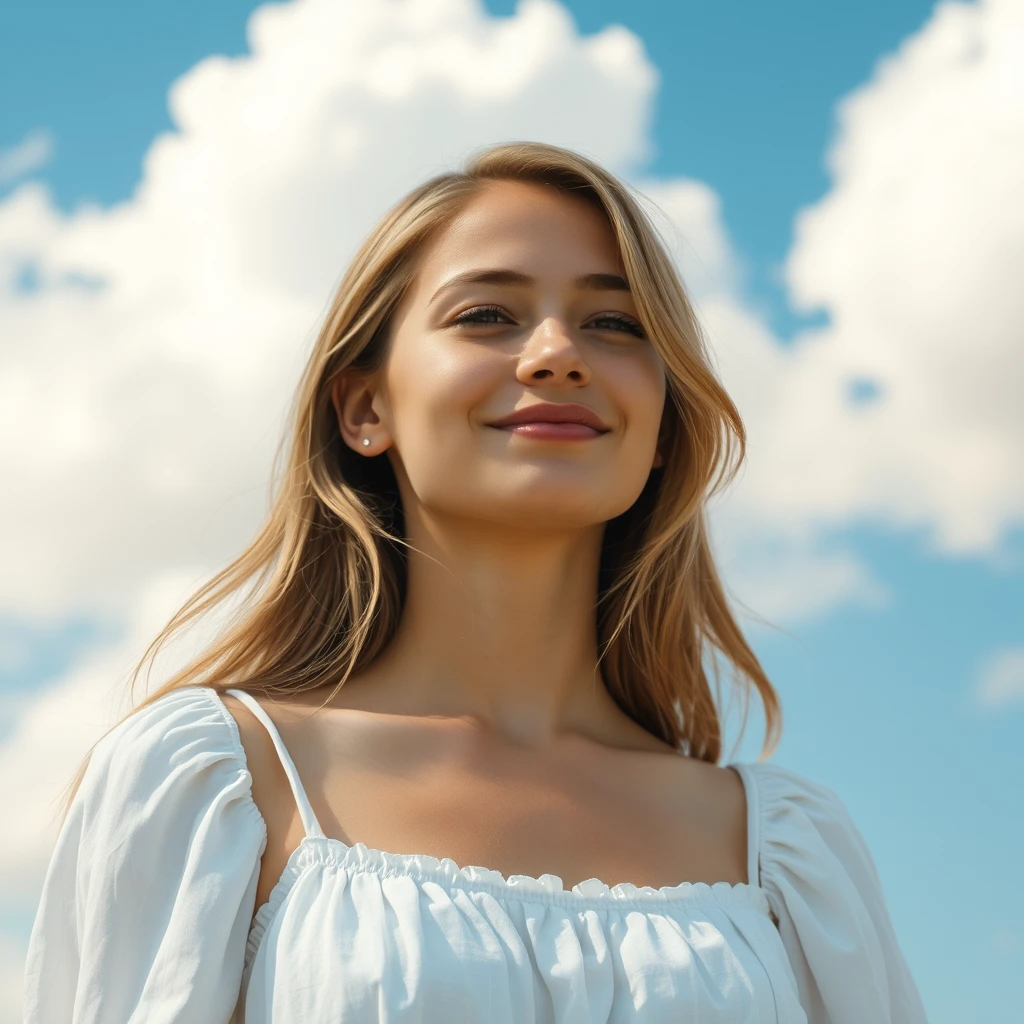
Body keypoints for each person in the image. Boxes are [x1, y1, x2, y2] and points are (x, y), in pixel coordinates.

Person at [23, 141, 928, 1022]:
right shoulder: (216, 783)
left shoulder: (789, 852)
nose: (556, 354)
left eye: (614, 324)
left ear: (659, 430)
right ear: (365, 408)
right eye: (486, 315)